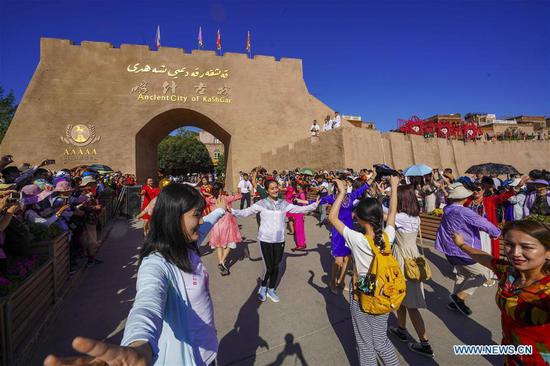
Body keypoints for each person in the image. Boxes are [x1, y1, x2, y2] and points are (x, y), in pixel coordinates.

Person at [44, 184, 228, 366]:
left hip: (209, 352)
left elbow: (207, 223)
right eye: (197, 215)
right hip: (187, 359)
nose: (202, 220)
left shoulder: (186, 243)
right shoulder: (156, 263)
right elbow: (147, 303)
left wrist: (219, 211)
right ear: (174, 218)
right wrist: (138, 348)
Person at [452, 220, 549, 366]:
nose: (515, 253)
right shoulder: (509, 272)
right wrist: (461, 245)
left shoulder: (546, 290)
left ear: (548, 252)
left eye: (527, 247)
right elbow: (485, 258)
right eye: (509, 244)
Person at [328, 176, 400, 366]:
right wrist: (394, 186)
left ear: (361, 218)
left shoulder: (357, 240)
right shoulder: (387, 237)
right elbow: (392, 212)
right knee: (381, 340)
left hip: (363, 290)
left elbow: (332, 217)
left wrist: (342, 192)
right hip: (384, 290)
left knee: (365, 344)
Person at [231, 178, 319, 303]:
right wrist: (232, 211)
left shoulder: (284, 204)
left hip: (279, 240)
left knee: (276, 266)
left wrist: (314, 205)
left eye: (276, 187)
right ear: (267, 190)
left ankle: (271, 289)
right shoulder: (261, 203)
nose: (275, 190)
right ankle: (262, 287)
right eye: (272, 188)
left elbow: (300, 209)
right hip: (265, 240)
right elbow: (245, 213)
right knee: (268, 267)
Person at [434, 184, 501, 315]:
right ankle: (458, 298)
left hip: (449, 248)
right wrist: (496, 232)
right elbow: (482, 222)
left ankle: (454, 303)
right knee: (481, 276)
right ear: (464, 198)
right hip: (462, 249)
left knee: (462, 275)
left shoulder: (448, 208)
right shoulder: (463, 211)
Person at [388, 184, 434, 357]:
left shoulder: (400, 217)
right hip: (411, 257)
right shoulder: (414, 217)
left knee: (412, 305)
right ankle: (401, 328)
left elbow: (386, 214)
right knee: (402, 300)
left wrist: (392, 189)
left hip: (403, 260)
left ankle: (425, 343)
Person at [319, 177, 370, 294]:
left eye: (347, 185)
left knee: (347, 258)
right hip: (337, 231)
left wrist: (373, 177)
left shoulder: (350, 196)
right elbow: (318, 202)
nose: (347, 187)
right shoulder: (332, 198)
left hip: (349, 230)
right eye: (344, 185)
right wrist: (300, 203)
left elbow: (363, 188)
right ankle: (332, 282)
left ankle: (341, 281)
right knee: (338, 260)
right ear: (338, 187)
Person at [208, 182, 242, 276]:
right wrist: (237, 191)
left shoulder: (210, 200)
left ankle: (221, 263)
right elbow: (239, 196)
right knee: (230, 243)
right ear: (220, 190)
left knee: (219, 245)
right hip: (226, 223)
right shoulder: (225, 198)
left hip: (215, 225)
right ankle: (222, 262)